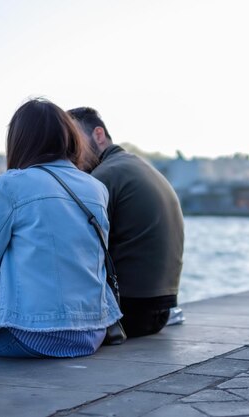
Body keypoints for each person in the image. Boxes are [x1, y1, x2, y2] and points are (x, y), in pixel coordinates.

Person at [0, 99, 121, 358]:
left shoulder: (11, 185)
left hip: (31, 333)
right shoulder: (95, 189)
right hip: (90, 333)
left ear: (19, 140)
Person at [68, 107, 184, 337]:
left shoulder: (102, 178)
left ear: (98, 135)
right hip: (159, 310)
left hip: (128, 314)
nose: (70, 153)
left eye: (74, 142)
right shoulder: (138, 166)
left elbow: (76, 253)